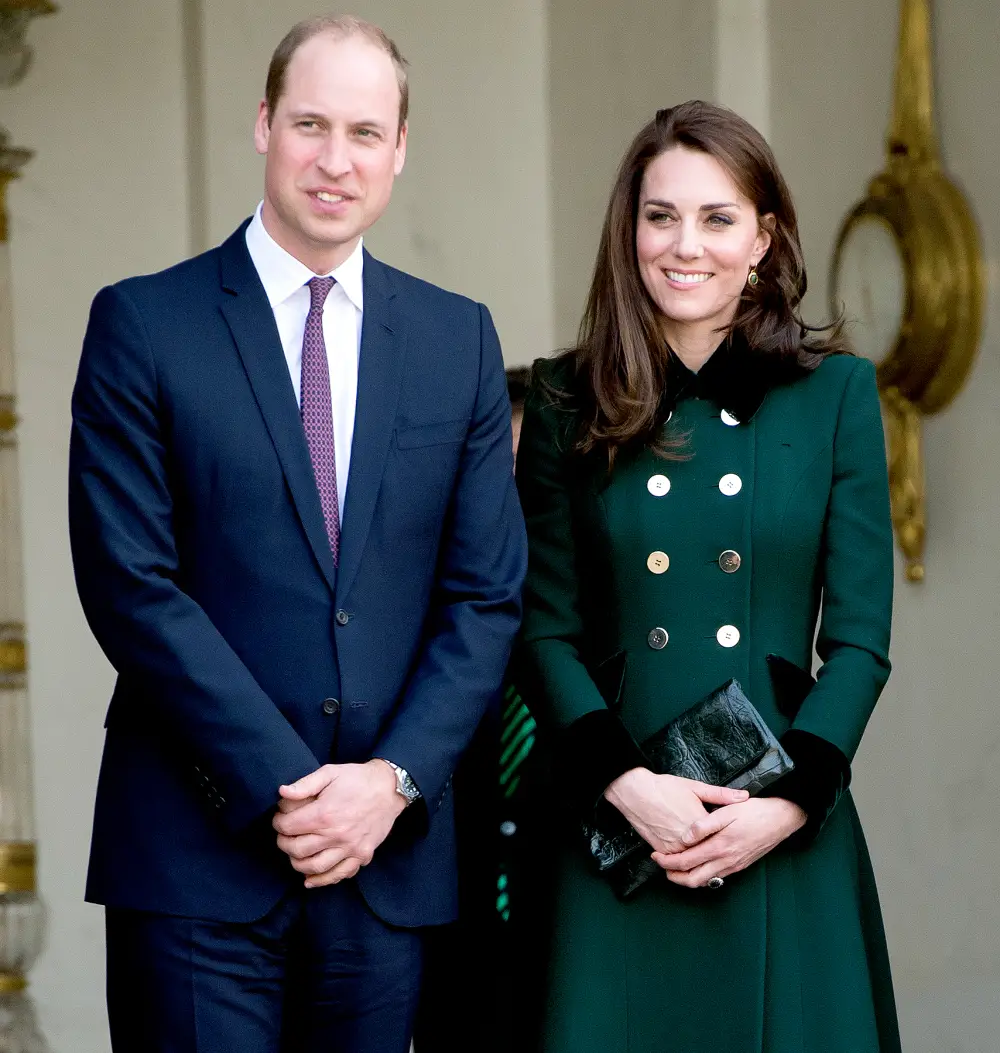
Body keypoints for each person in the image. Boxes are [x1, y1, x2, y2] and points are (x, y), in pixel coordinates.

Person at [68, 15, 526, 1053]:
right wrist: (291, 789)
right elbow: (131, 583)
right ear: (264, 125)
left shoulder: (457, 341)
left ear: (400, 150)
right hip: (192, 859)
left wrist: (389, 784)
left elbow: (486, 595)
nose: (335, 159)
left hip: (387, 866)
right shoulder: (145, 324)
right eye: (311, 123)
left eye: (366, 133)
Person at [514, 100, 900, 1053]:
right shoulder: (564, 399)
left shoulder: (836, 394)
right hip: (618, 830)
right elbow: (542, 628)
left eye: (718, 218)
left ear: (763, 239)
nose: (686, 246)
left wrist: (789, 802)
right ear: (629, 230)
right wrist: (627, 784)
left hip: (776, 826)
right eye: (660, 216)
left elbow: (858, 641)